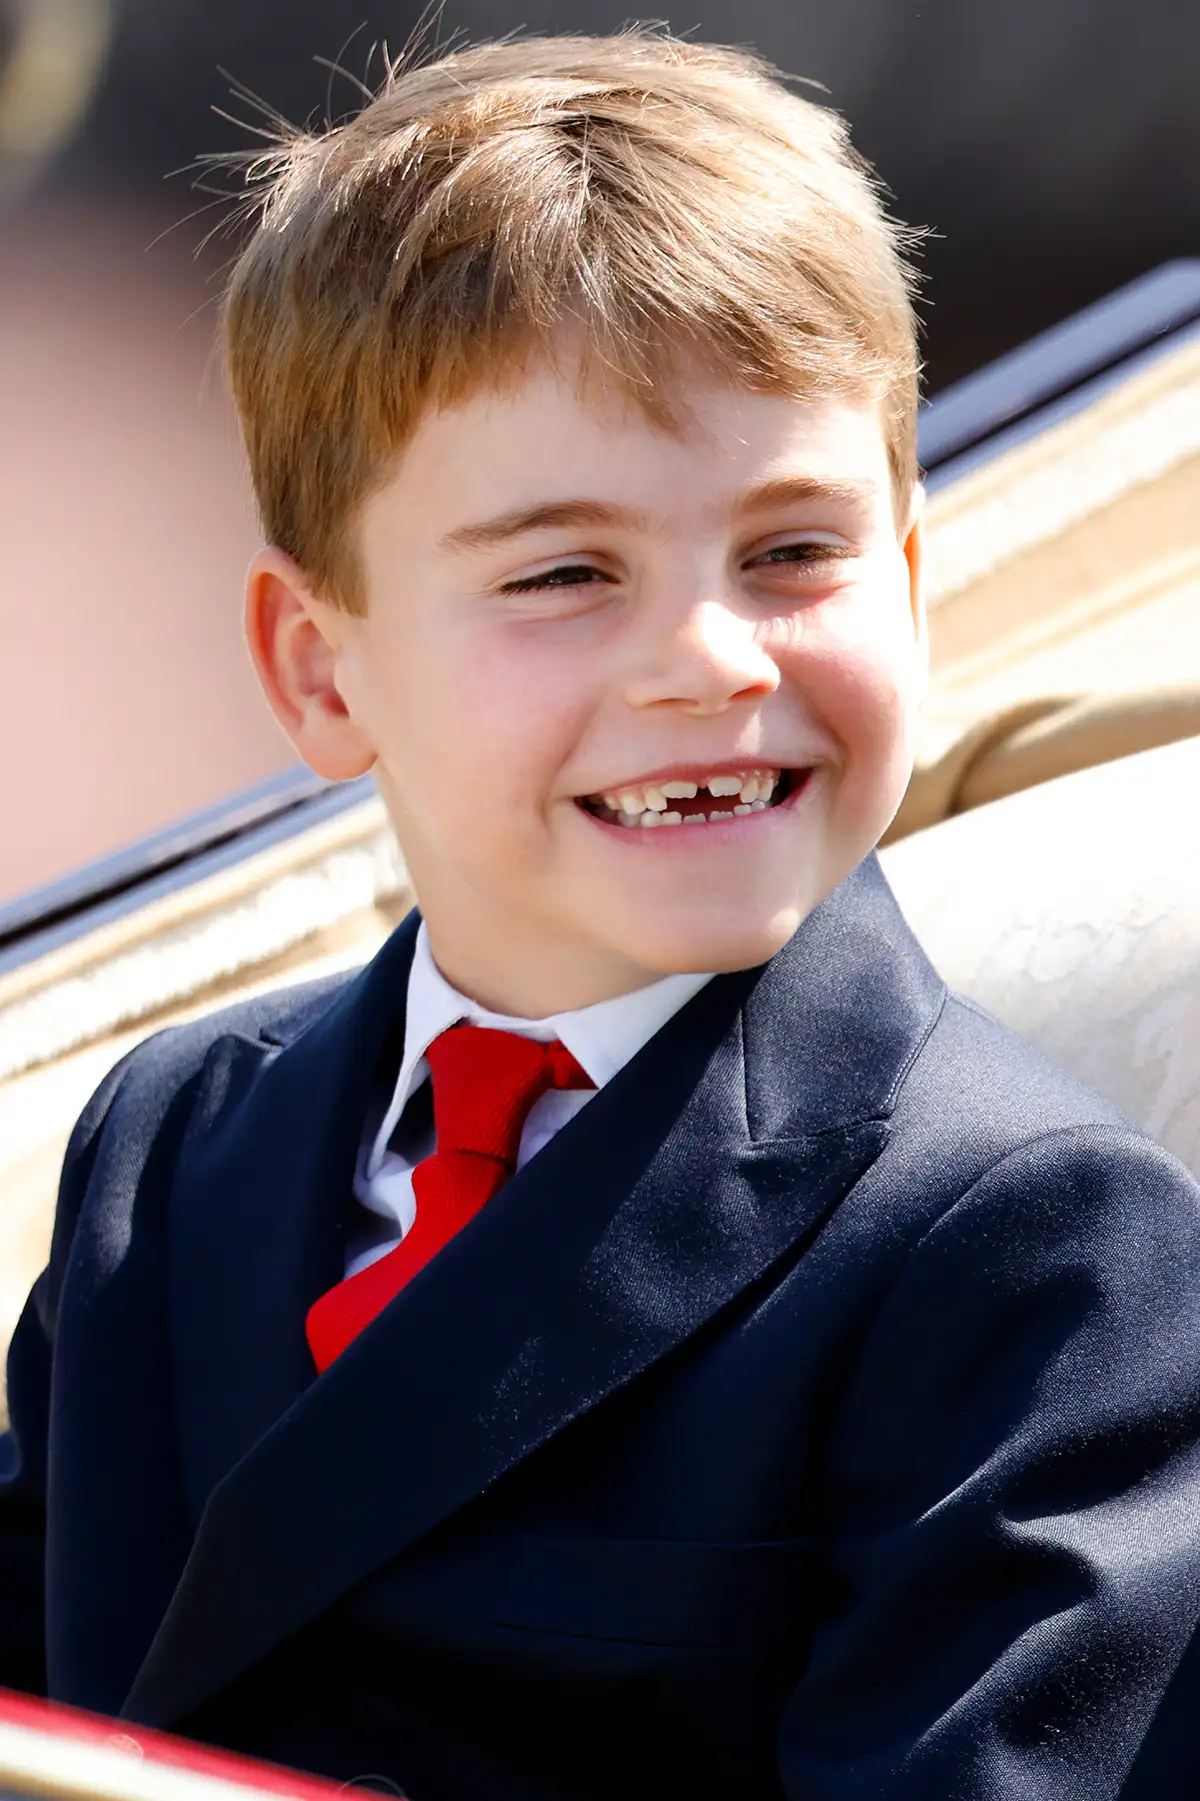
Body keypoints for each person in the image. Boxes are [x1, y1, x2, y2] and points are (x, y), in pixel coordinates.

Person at [3, 29, 1200, 1801]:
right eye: (566, 574)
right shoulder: (172, 1137)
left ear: (916, 585)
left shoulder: (1039, 1255)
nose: (712, 661)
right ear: (321, 672)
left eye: (794, 553)